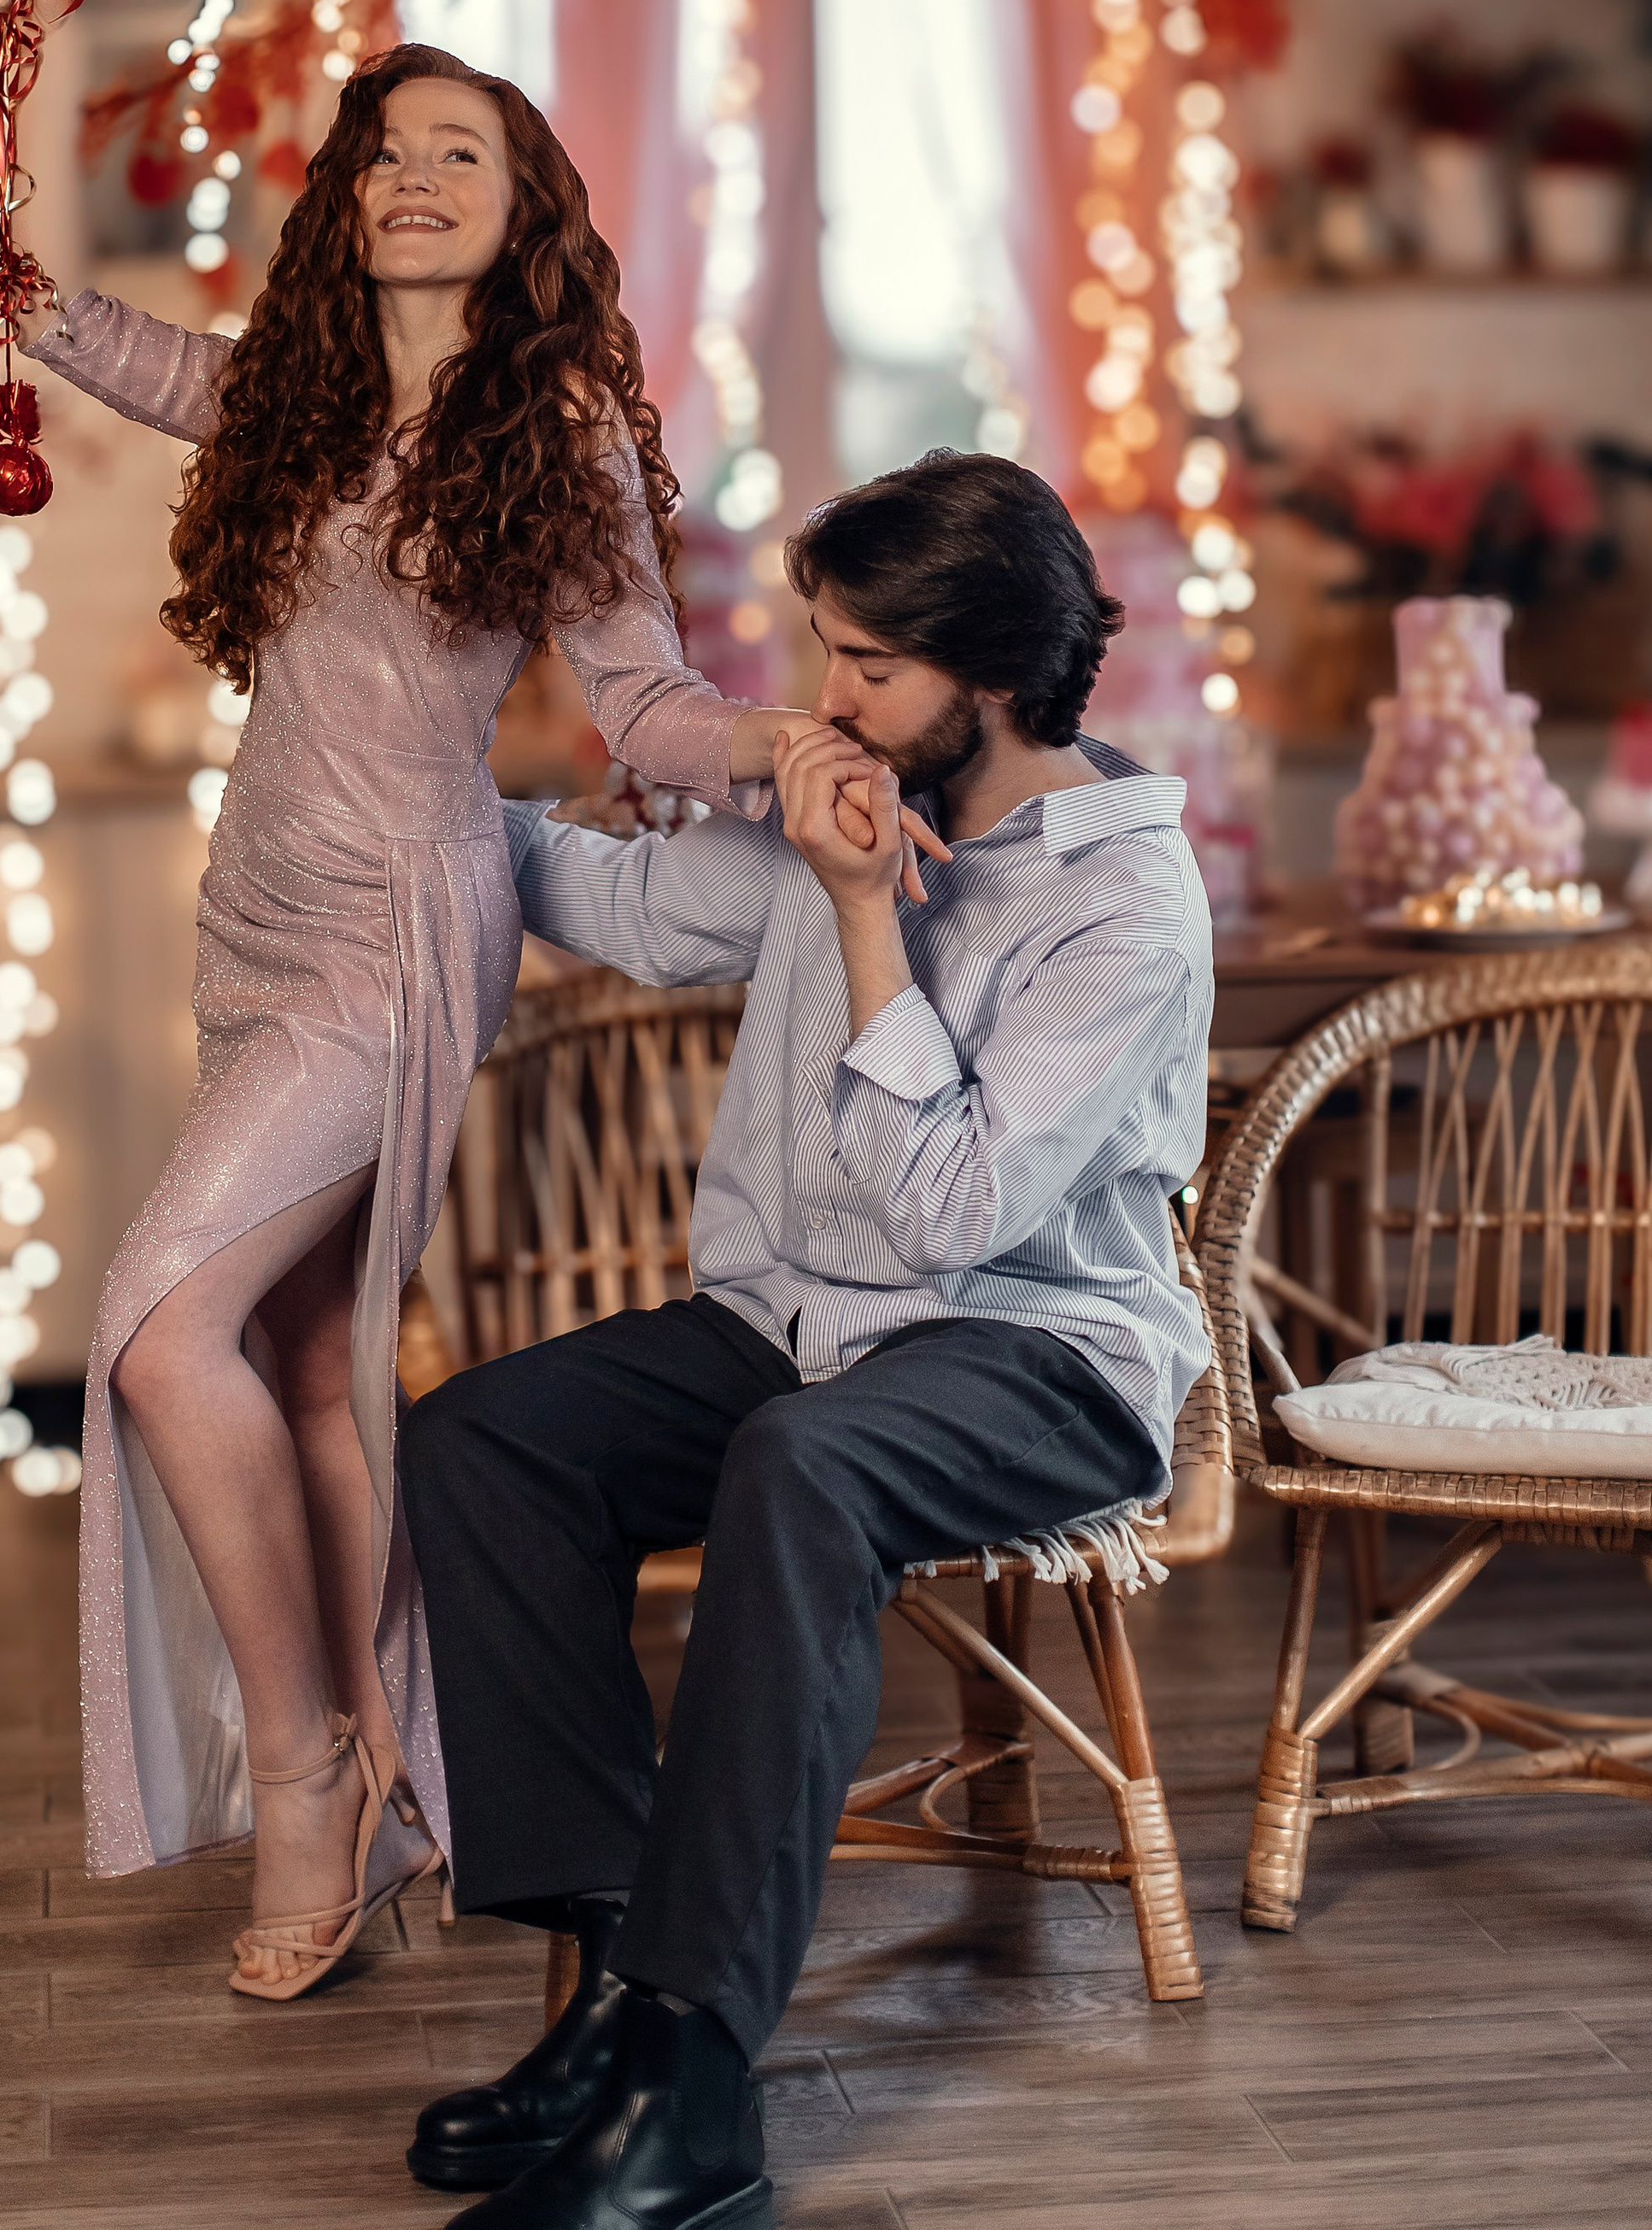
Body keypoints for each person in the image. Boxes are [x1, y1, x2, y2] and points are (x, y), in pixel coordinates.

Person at [15, 15, 800, 2005]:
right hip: (255, 913)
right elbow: (89, 338)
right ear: (345, 204)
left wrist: (782, 743)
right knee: (289, 1363)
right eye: (382, 152)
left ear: (525, 201)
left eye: (458, 151)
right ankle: (399, 1756)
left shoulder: (558, 435)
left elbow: (640, 705)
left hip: (395, 924)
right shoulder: (278, 397)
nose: (412, 177)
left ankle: (305, 1769)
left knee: (151, 1329)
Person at [398, 450, 1211, 2227]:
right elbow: (610, 906)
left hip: (1033, 1354)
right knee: (480, 1444)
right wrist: (403, 779)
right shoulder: (820, 802)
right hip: (797, 1331)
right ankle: (625, 1988)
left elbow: (945, 1218)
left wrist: (864, 921)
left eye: (860, 667)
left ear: (986, 677)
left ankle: (691, 2096)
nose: (811, 704)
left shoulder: (1121, 908)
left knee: (800, 1467)